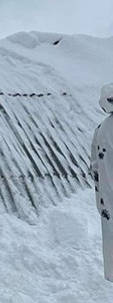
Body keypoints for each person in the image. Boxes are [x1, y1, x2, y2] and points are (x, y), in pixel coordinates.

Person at [91, 82, 113, 282]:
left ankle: (111, 274)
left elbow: (94, 166)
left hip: (107, 194)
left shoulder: (101, 129)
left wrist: (99, 195)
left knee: (110, 235)